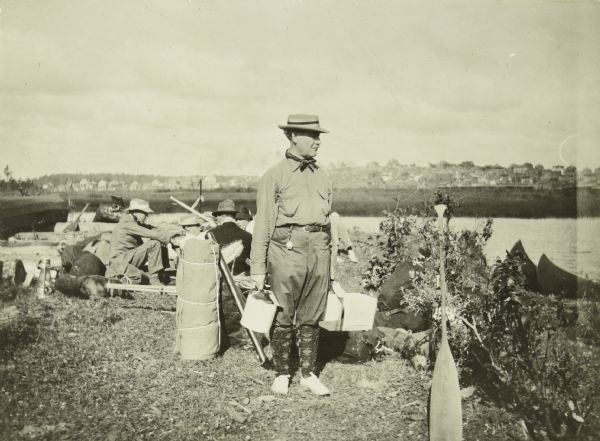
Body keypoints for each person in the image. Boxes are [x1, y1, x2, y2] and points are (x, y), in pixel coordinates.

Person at [251, 114, 332, 396]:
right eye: (313, 136)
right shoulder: (274, 176)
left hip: (319, 249)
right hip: (286, 248)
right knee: (283, 312)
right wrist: (258, 268)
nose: (318, 142)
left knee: (312, 311)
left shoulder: (322, 175)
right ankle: (282, 373)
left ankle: (308, 374)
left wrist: (329, 261)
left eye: (319, 136)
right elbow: (262, 225)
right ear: (294, 136)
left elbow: (328, 223)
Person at [105, 198, 176, 285]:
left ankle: (163, 275)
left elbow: (152, 228)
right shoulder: (127, 224)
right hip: (120, 263)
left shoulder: (133, 221)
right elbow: (152, 234)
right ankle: (154, 279)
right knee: (154, 244)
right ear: (135, 212)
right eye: (145, 213)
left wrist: (171, 234)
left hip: (127, 258)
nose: (146, 216)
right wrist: (171, 240)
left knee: (160, 241)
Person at [209, 199, 252, 276]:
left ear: (221, 216)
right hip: (241, 278)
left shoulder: (210, 234)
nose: (216, 219)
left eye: (217, 216)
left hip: (218, 277)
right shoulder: (248, 236)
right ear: (234, 216)